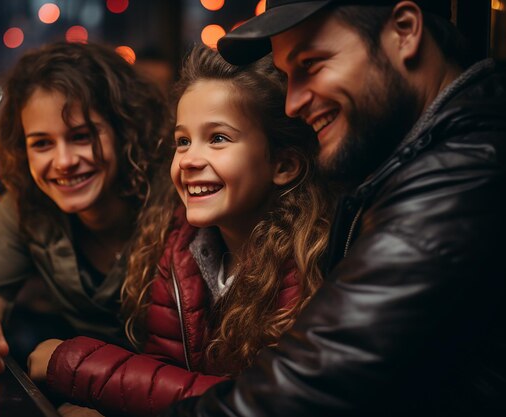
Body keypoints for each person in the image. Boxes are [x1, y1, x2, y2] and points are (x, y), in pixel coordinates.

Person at [163, 1, 506, 416]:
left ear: (405, 30)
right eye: (289, 76)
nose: (292, 104)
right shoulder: (416, 160)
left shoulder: (464, 173)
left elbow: (300, 395)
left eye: (312, 63)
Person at [26, 45, 334, 417]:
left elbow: (259, 404)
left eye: (218, 138)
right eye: (183, 141)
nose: (188, 159)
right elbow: (163, 375)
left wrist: (76, 364)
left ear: (283, 165)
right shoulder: (179, 245)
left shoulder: (311, 261)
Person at [0, 40, 170, 367]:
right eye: (41, 143)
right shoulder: (30, 204)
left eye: (82, 136)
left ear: (124, 130)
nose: (63, 161)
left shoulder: (175, 198)